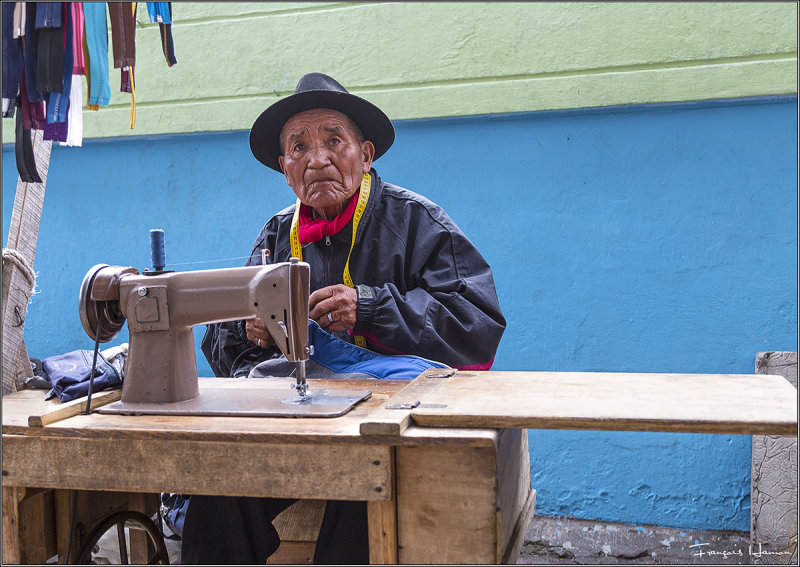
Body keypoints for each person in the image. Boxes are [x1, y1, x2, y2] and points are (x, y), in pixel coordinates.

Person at [181, 72, 506, 564]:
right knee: (217, 492)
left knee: (362, 494)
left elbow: (477, 325)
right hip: (302, 425)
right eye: (299, 147)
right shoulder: (275, 236)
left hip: (392, 426)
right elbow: (223, 345)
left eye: (334, 141)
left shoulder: (417, 223)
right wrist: (249, 333)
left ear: (366, 154)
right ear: (283, 167)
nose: (318, 159)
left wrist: (372, 309)